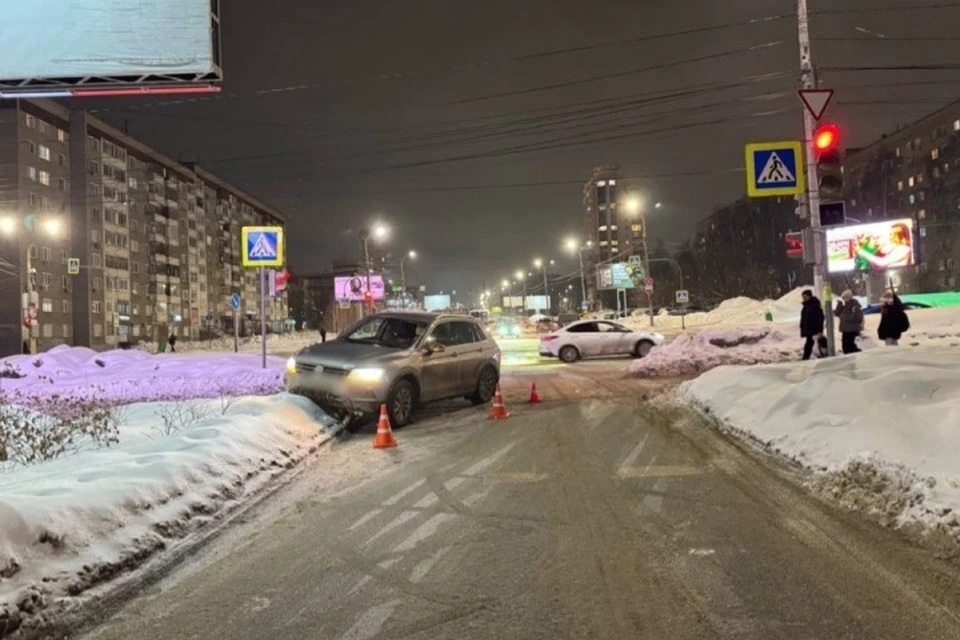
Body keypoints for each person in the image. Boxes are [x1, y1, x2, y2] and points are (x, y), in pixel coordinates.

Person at [834, 290, 864, 354]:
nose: (844, 299)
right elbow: (837, 313)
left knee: (848, 345)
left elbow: (857, 317)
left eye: (845, 297)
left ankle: (855, 354)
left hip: (851, 329)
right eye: (843, 298)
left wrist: (844, 317)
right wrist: (839, 305)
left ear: (849, 297)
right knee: (845, 346)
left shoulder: (854, 305)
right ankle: (853, 355)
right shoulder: (845, 306)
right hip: (845, 329)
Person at [799, 289, 825, 360]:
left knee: (809, 344)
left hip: (813, 329)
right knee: (810, 343)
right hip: (809, 329)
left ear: (809, 296)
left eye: (805, 296)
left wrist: (820, 330)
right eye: (803, 296)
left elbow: (820, 318)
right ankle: (808, 356)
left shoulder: (814, 306)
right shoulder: (806, 306)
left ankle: (806, 357)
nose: (804, 298)